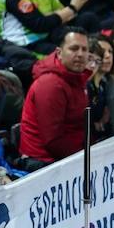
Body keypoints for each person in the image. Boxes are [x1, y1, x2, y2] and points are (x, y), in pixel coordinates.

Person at [18, 29, 92, 168]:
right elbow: (53, 141)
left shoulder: (77, 77)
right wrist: (89, 156)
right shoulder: (50, 84)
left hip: (68, 154)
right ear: (59, 53)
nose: (80, 54)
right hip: (43, 162)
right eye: (74, 49)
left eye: (84, 49)